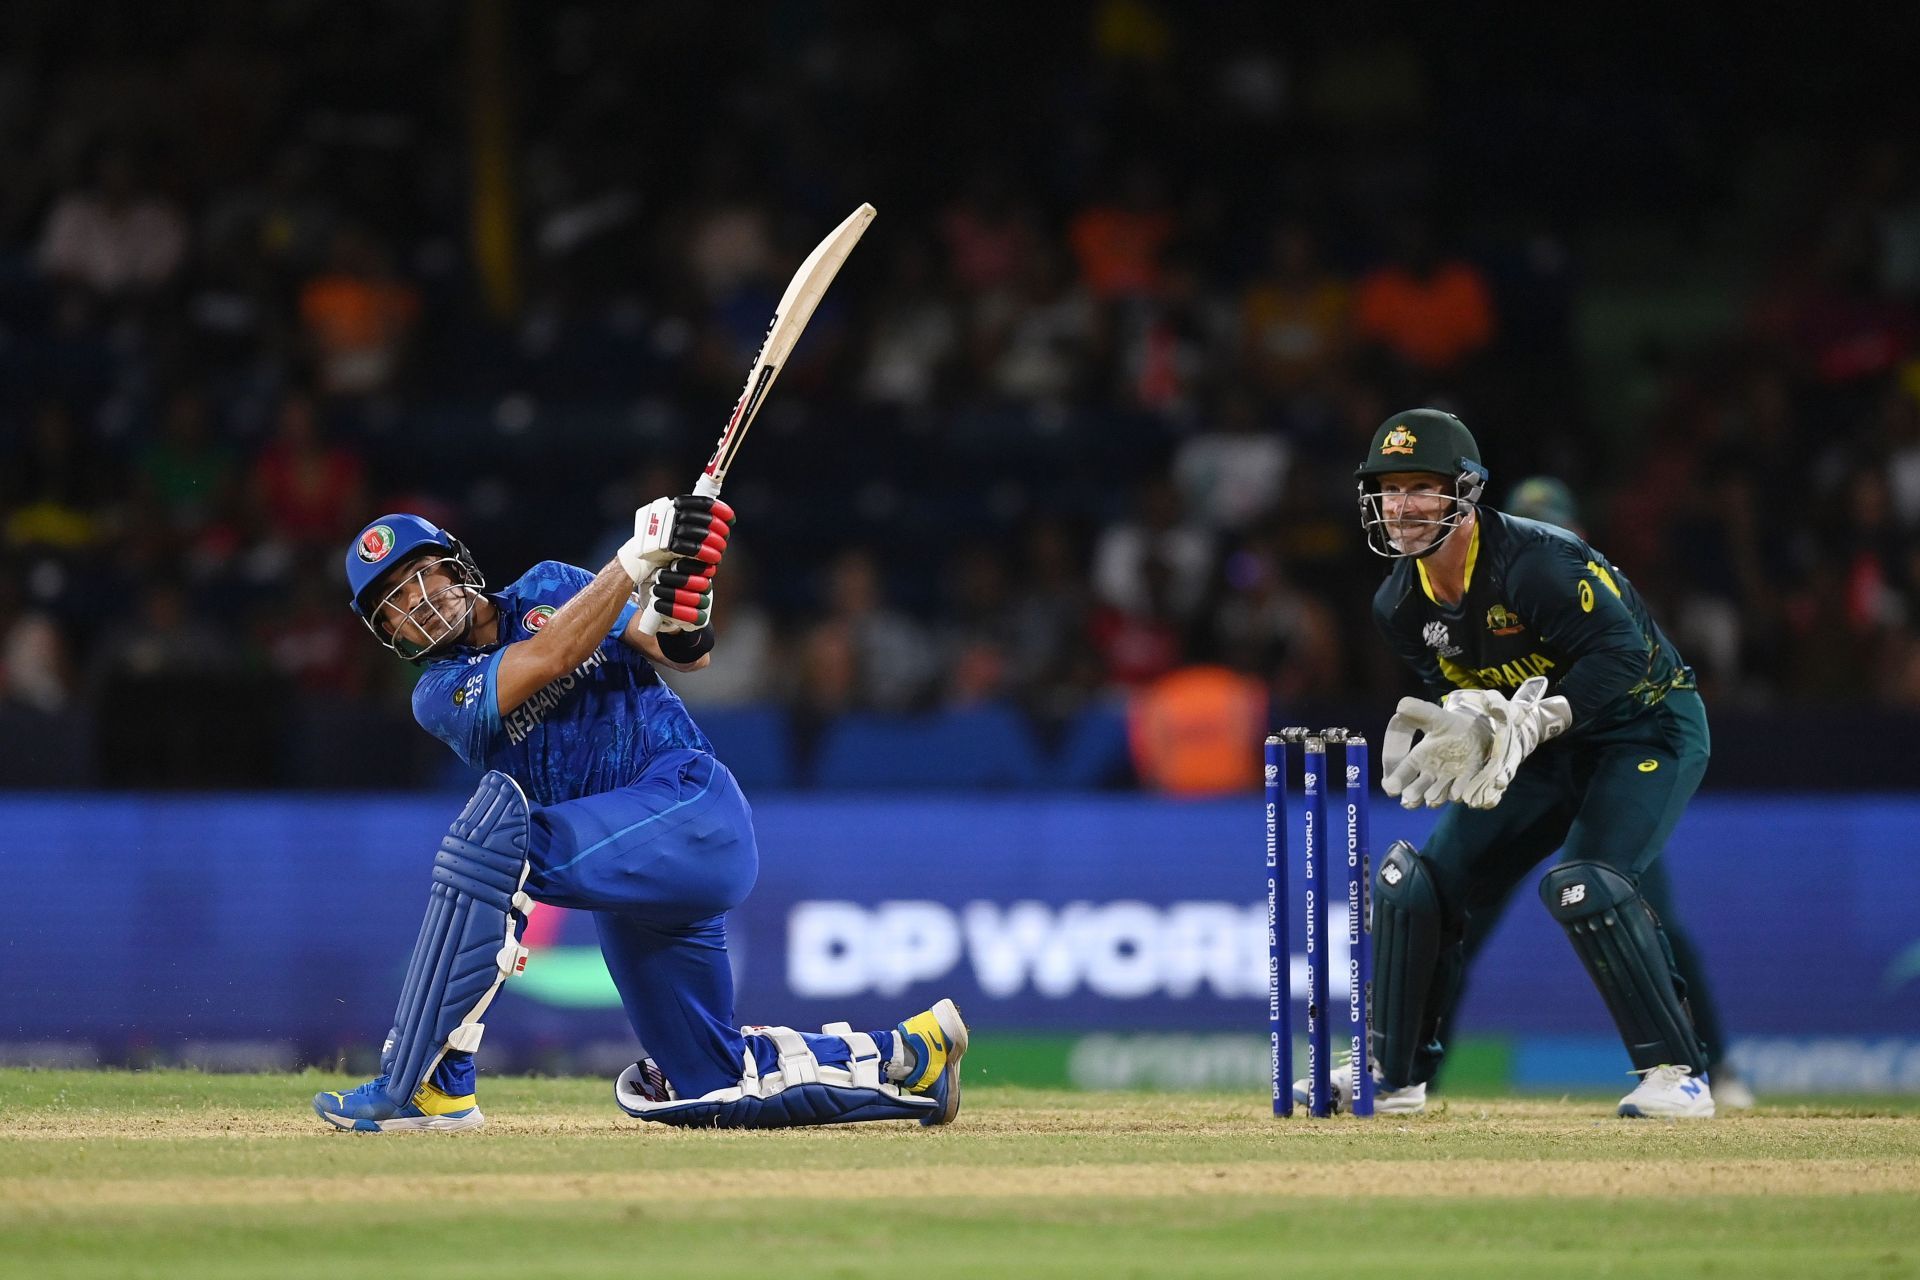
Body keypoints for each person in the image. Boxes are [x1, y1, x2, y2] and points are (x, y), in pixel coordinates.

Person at [312, 502, 968, 1131]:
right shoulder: (437, 693)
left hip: (690, 807)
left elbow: (680, 650)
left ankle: (426, 1084)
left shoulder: (549, 585)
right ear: (386, 632)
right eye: (395, 600)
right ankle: (911, 1058)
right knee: (707, 1081)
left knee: (496, 840)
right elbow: (548, 659)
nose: (419, 601)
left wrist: (684, 603)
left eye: (423, 574)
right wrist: (632, 560)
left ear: (458, 566)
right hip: (631, 878)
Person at [1299, 410, 1719, 1119]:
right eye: (1388, 490)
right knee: (1417, 885)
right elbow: (1462, 696)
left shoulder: (1539, 564)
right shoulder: (1399, 605)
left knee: (1589, 884)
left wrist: (1545, 715)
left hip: (1644, 729)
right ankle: (1391, 1074)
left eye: (1420, 488)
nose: (1401, 507)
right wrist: (1470, 734)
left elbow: (1624, 657)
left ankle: (1677, 1073)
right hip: (1536, 751)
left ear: (1465, 491)